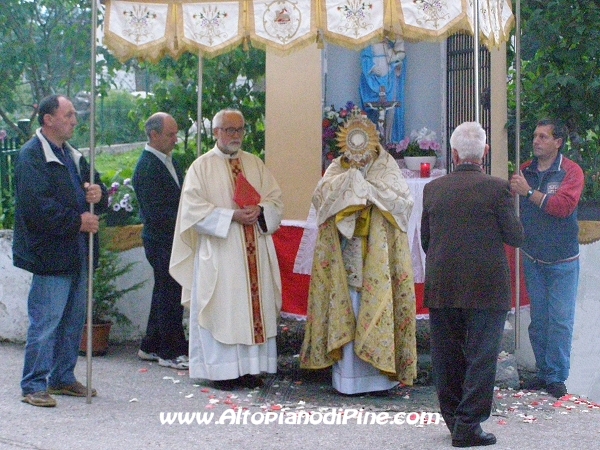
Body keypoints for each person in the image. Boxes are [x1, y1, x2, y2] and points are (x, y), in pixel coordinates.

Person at [300, 109, 417, 395]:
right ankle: (349, 379)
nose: (360, 152)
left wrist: (365, 190)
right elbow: (321, 199)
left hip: (379, 256)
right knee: (349, 307)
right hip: (345, 252)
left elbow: (403, 203)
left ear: (374, 141)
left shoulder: (387, 166)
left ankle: (378, 377)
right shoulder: (336, 169)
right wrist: (349, 184)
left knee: (377, 306)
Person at [421, 122, 523, 447]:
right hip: (486, 286)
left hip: (444, 284)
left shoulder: (432, 189)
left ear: (453, 154)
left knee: (446, 356)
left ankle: (454, 421)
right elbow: (515, 236)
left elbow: (426, 241)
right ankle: (469, 425)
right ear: (485, 153)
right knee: (482, 356)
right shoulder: (497, 188)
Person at [169, 108, 283, 390]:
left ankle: (251, 369)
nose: (235, 135)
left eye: (240, 129)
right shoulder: (200, 167)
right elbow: (191, 211)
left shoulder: (255, 164)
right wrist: (231, 216)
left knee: (251, 308)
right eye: (229, 130)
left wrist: (260, 209)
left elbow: (275, 201)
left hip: (254, 247)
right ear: (216, 132)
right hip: (222, 252)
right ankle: (222, 371)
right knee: (224, 309)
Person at [13, 94, 108, 407]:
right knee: (46, 321)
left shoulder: (73, 154)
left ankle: (62, 378)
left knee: (71, 321)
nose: (74, 120)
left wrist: (99, 192)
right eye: (68, 115)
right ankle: (33, 384)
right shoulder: (31, 156)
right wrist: (77, 221)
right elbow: (35, 207)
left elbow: (98, 190)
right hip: (49, 254)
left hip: (78, 251)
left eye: (74, 115)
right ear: (48, 119)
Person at [510, 119, 584, 399]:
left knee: (561, 321)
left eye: (543, 136)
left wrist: (528, 192)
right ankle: (543, 373)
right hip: (533, 256)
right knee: (539, 321)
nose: (536, 140)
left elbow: (562, 207)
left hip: (564, 260)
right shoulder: (525, 170)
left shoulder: (571, 172)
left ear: (558, 142)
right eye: (535, 136)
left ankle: (557, 377)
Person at [133, 112, 188, 370]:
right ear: (154, 135)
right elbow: (157, 212)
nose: (175, 139)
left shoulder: (169, 162)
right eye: (170, 134)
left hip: (171, 238)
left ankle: (151, 344)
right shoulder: (146, 167)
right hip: (161, 239)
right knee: (170, 294)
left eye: (176, 133)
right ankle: (170, 350)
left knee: (163, 291)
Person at [359, 38, 407, 144]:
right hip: (373, 79)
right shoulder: (369, 44)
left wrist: (397, 65)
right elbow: (365, 59)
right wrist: (372, 69)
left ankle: (388, 140)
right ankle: (372, 141)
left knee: (391, 109)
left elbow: (397, 59)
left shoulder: (389, 45)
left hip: (388, 78)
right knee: (372, 112)